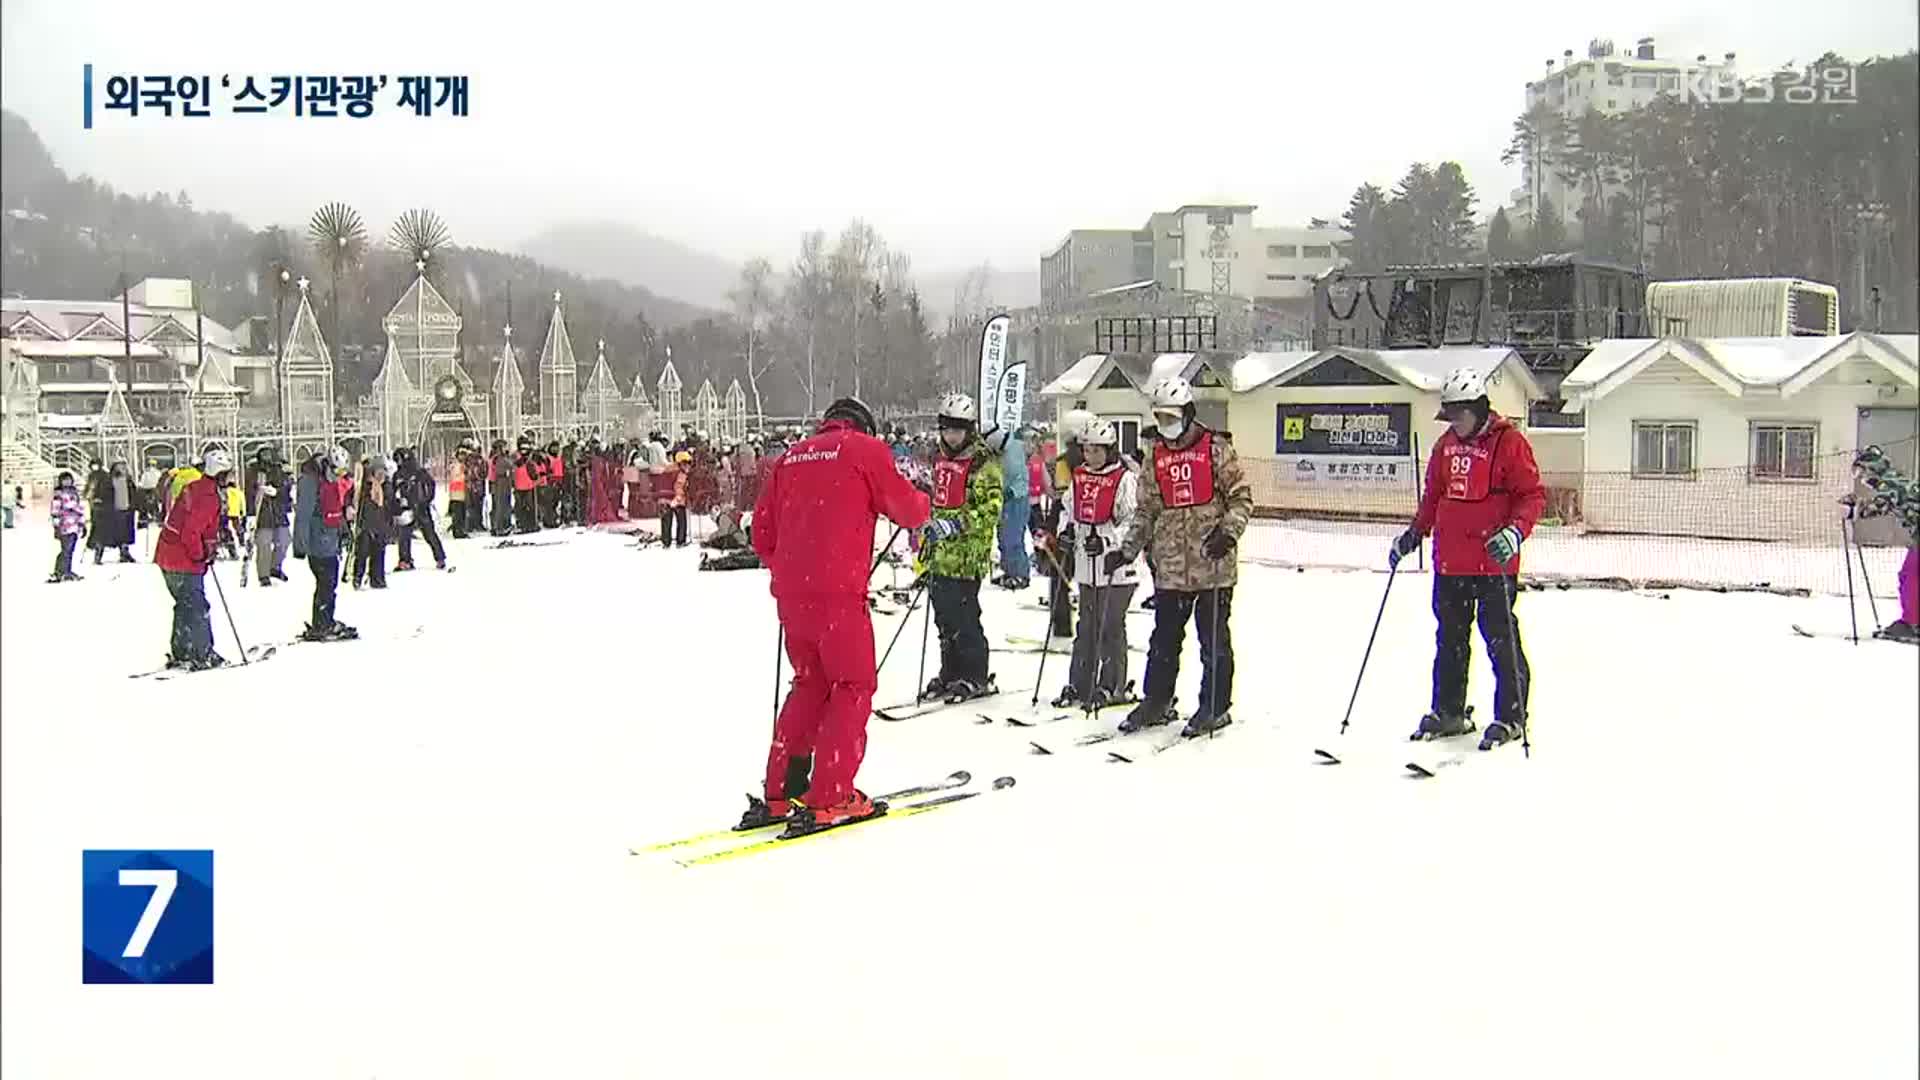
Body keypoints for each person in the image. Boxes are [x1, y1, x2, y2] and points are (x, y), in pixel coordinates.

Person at [742, 397, 931, 835]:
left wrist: (790, 568)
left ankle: (780, 790)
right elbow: (905, 508)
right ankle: (830, 795)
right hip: (839, 593)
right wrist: (924, 502)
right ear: (863, 426)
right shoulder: (865, 451)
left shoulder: (791, 457)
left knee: (810, 683)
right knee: (852, 684)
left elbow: (762, 532)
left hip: (793, 595)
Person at [1389, 366, 1546, 751]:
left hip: (1493, 564)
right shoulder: (1444, 447)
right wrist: (1413, 534)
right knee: (1450, 640)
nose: (1455, 422)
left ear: (1478, 409)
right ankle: (1449, 711)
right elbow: (1433, 498)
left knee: (1500, 639)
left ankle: (1511, 714)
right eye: (1450, 415)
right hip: (1451, 562)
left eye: (1461, 414)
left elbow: (1532, 496)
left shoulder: (1509, 443)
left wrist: (1514, 532)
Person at [1108, 376, 1255, 738]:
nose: (1166, 425)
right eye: (1160, 417)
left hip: (1213, 566)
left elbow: (1241, 499)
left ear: (1188, 413)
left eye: (1172, 416)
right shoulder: (1156, 456)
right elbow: (1146, 511)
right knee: (1164, 639)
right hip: (1171, 567)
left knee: (1214, 641)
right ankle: (1156, 700)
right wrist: (1126, 550)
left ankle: (1215, 706)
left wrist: (1228, 533)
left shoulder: (1215, 449)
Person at [918, 393, 1004, 703]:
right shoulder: (939, 457)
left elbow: (991, 507)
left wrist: (958, 524)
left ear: (969, 429)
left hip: (968, 555)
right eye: (946, 429)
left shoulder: (982, 462)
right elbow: (936, 496)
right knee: (944, 618)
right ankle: (950, 671)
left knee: (965, 617)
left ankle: (975, 674)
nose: (951, 436)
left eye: (957, 430)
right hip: (940, 554)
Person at [1054, 419, 1142, 709]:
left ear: (1109, 450)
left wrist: (1109, 542)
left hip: (1117, 567)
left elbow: (1131, 520)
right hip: (1086, 564)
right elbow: (1069, 510)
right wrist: (1065, 532)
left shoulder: (1124, 478)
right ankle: (1080, 683)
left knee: (1110, 624)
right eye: (1086, 450)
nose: (1090, 456)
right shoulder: (1079, 476)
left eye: (1096, 451)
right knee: (1088, 625)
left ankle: (1112, 684)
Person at [154, 449, 232, 670]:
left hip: (167, 555)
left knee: (184, 605)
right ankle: (201, 652)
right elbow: (191, 532)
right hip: (182, 559)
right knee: (197, 606)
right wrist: (201, 555)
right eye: (227, 474)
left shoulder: (195, 486)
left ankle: (183, 649)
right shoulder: (208, 497)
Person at [1850, 444, 1919, 644]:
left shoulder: (1889, 483)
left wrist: (1856, 510)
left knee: (1909, 576)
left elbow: (1882, 504)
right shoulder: (1894, 480)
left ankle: (1911, 623)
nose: (1861, 478)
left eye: (1861, 471)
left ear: (1872, 468)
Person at [293, 446, 357, 641]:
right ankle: (323, 623)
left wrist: (343, 531)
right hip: (317, 542)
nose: (339, 476)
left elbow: (336, 508)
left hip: (330, 540)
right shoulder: (311, 481)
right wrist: (300, 545)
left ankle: (324, 620)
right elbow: (303, 515)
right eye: (336, 471)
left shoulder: (331, 482)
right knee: (326, 582)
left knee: (329, 583)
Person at [392, 446, 448, 571]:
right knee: (404, 535)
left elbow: (431, 485)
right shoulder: (397, 475)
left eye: (399, 459)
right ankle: (405, 560)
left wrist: (426, 500)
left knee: (429, 534)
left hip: (421, 508)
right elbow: (393, 491)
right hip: (406, 509)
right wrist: (396, 504)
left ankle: (440, 558)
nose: (398, 462)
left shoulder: (419, 472)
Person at [994, 428, 1032, 589]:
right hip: (1004, 498)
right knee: (1003, 536)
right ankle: (1009, 570)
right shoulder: (1000, 452)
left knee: (1013, 537)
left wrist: (1011, 491)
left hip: (1016, 499)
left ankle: (1021, 574)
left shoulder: (1013, 450)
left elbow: (1021, 477)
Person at [351, 456, 396, 589]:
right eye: (378, 471)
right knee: (362, 552)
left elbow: (390, 505)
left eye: (383, 472)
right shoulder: (365, 485)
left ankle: (377, 579)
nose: (381, 475)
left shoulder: (386, 487)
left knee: (379, 552)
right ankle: (358, 577)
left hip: (381, 525)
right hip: (366, 524)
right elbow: (354, 498)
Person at [252, 446, 293, 585]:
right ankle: (263, 575)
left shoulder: (278, 469)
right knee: (264, 544)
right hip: (263, 514)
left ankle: (275, 566)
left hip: (278, 512)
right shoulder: (254, 470)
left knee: (284, 540)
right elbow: (250, 491)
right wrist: (250, 513)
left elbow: (286, 488)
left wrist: (276, 492)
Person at [48, 470, 85, 582]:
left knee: (70, 550)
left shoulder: (74, 493)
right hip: (64, 526)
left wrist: (82, 524)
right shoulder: (58, 494)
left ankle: (67, 570)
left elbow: (80, 509)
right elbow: (55, 510)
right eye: (64, 480)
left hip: (74, 525)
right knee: (66, 550)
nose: (67, 482)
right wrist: (56, 525)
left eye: (69, 479)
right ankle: (60, 571)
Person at [659, 450, 693, 547]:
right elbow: (678, 487)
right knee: (681, 521)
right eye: (686, 463)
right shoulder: (681, 473)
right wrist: (678, 498)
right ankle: (680, 541)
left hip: (663, 498)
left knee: (666, 521)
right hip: (676, 499)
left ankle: (666, 542)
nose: (688, 466)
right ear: (681, 463)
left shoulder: (667, 469)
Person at [447, 442, 471, 540]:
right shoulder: (456, 465)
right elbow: (456, 476)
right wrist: (464, 475)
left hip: (461, 491)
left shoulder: (461, 465)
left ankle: (460, 529)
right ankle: (458, 531)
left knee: (461, 512)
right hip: (457, 492)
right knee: (458, 513)